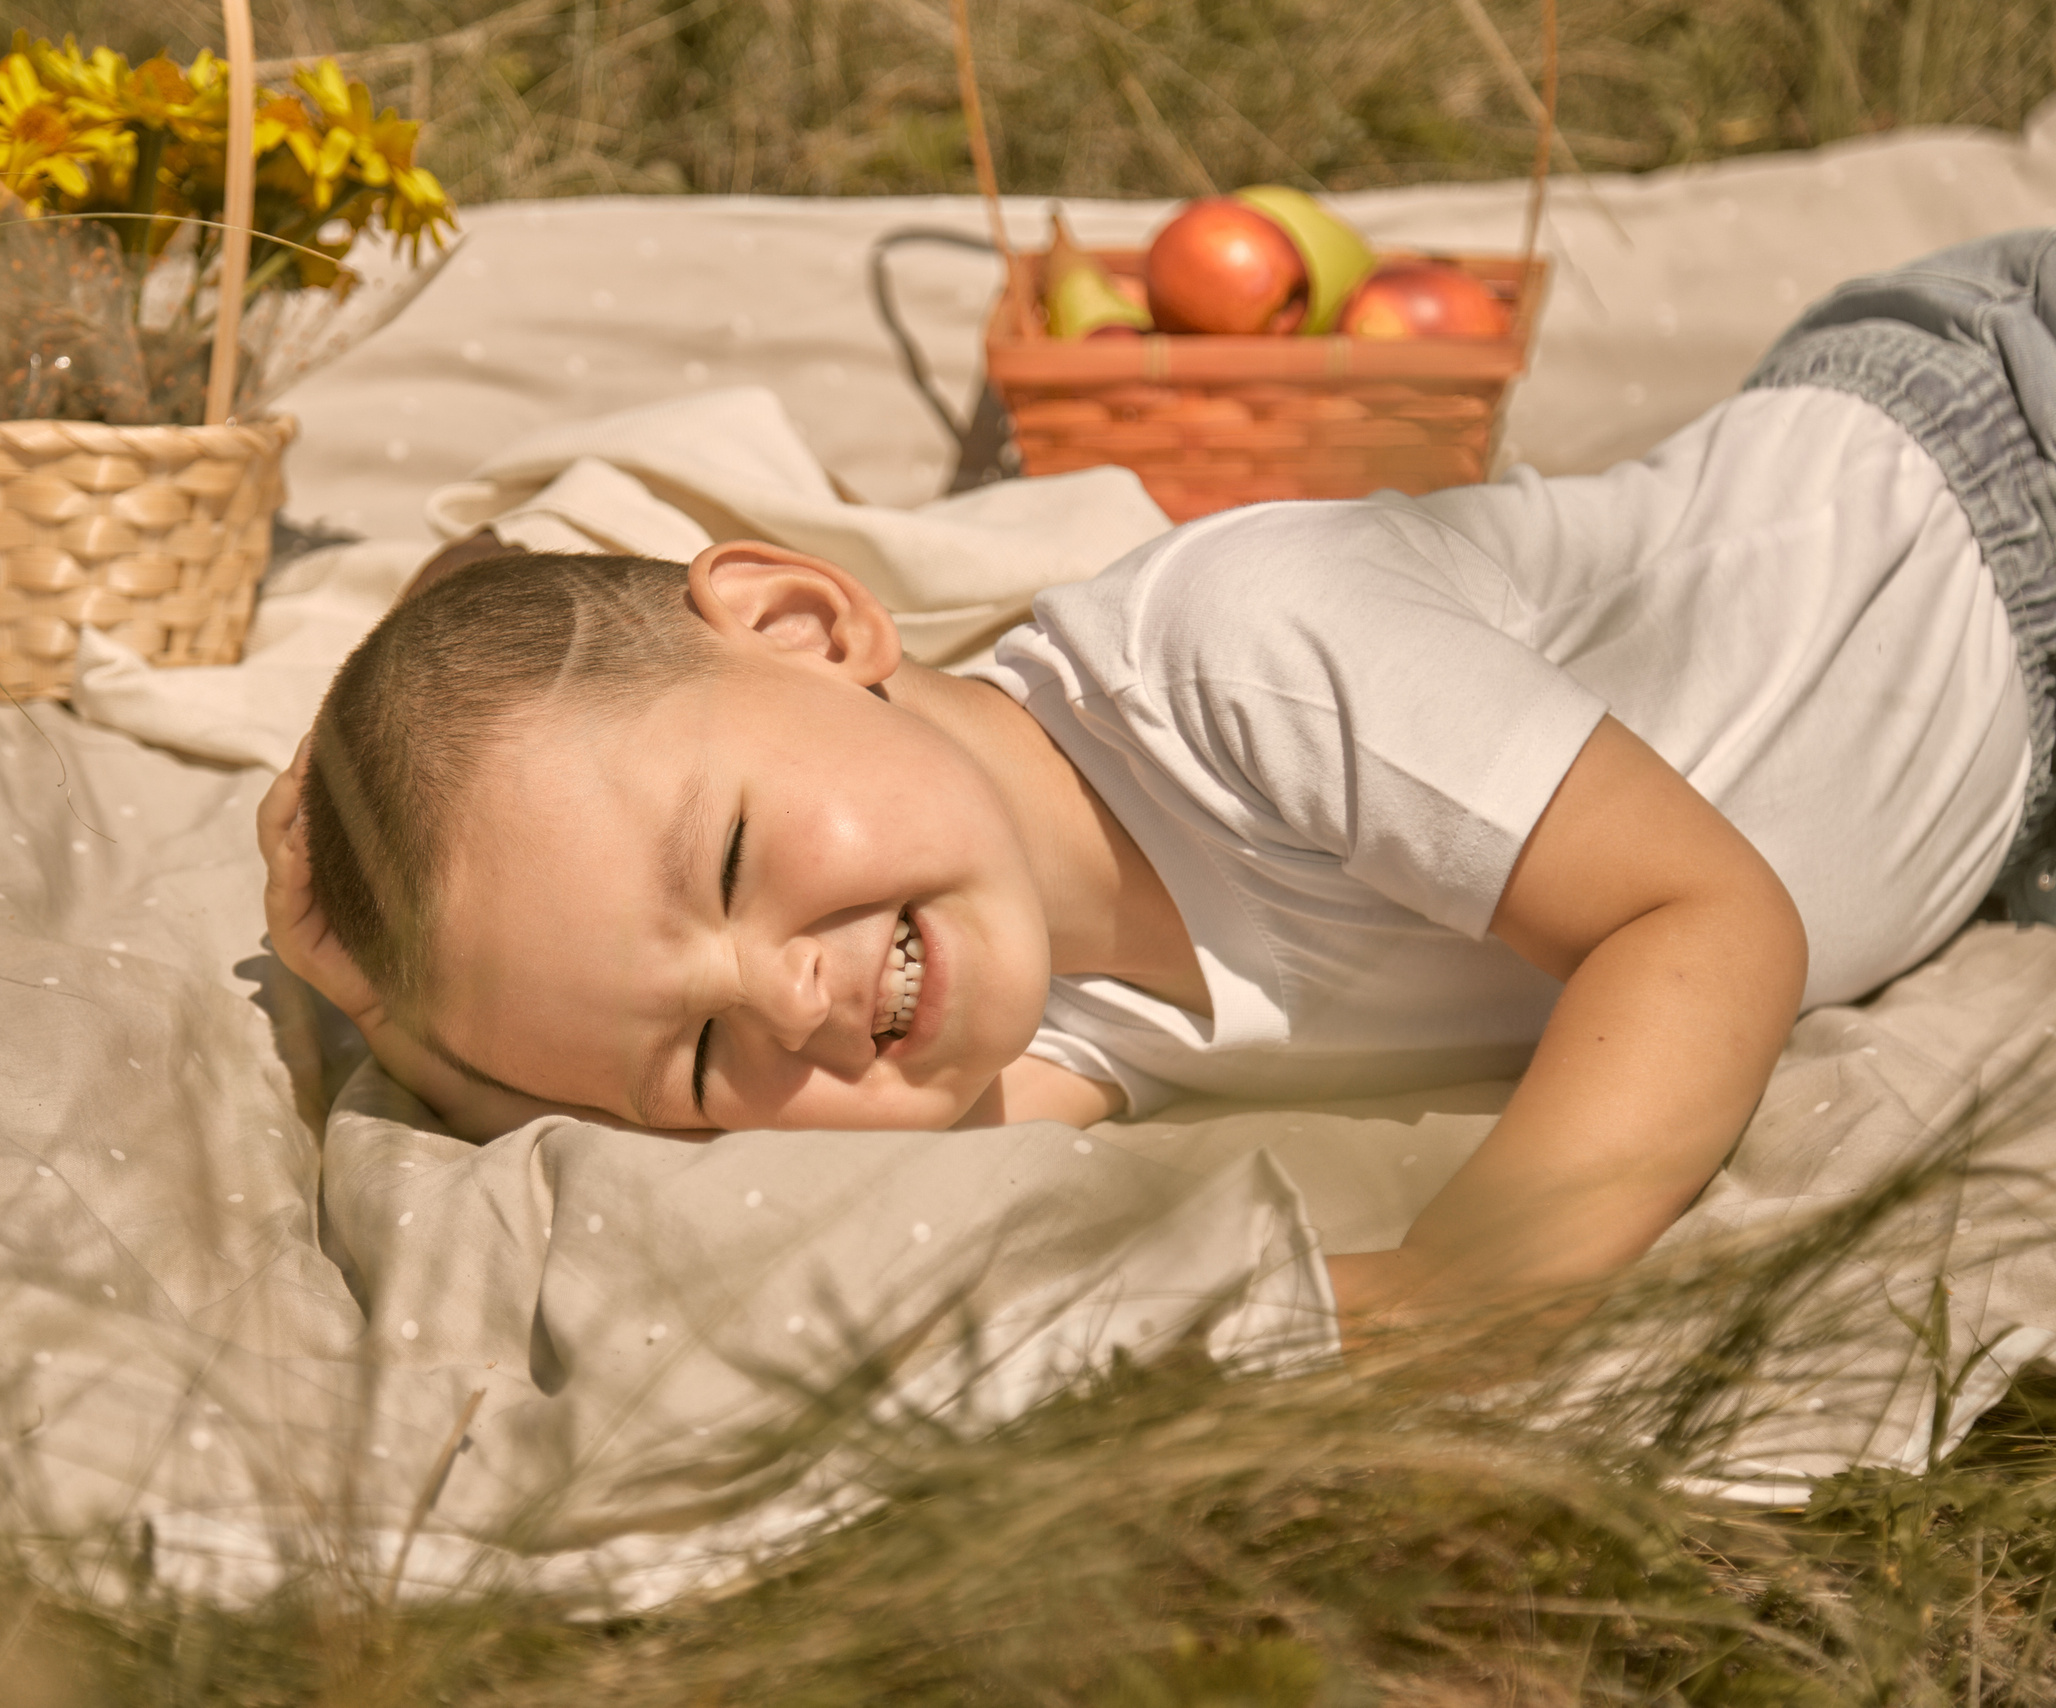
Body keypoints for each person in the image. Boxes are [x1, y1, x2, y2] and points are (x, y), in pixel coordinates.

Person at [257, 233, 2056, 1336]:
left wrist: (1465, 1298)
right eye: (711, 1060)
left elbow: (1700, 916)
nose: (788, 1005)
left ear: (807, 620)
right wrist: (377, 995)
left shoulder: (1248, 654)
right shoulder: (1036, 1029)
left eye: (728, 862)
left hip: (1994, 467)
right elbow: (595, 1141)